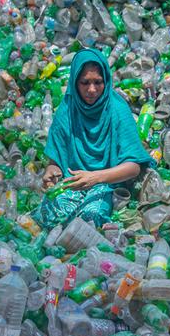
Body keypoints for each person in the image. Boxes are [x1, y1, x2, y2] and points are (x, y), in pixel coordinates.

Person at [36, 48, 154, 229]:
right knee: (48, 215)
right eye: (85, 83)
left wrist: (95, 178)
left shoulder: (117, 110)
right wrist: (51, 173)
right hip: (72, 183)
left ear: (106, 81)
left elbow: (133, 167)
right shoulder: (67, 110)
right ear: (75, 82)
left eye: (98, 82)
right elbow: (56, 161)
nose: (92, 90)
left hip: (106, 184)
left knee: (90, 217)